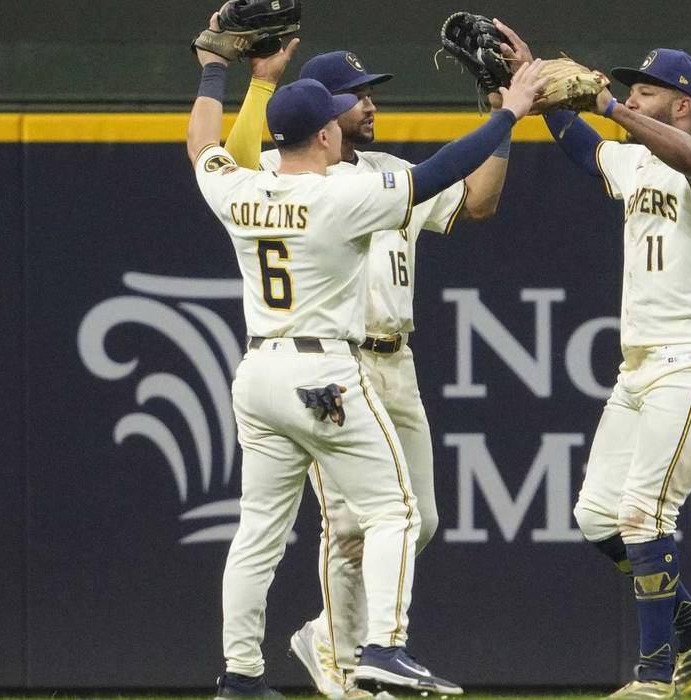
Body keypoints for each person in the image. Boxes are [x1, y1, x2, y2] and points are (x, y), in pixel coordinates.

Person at [186, 30, 546, 698]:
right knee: (391, 513)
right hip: (326, 370)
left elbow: (203, 149)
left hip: (261, 370)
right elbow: (438, 175)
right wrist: (506, 111)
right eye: (347, 102)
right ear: (323, 129)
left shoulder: (239, 189)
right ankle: (375, 649)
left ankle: (239, 675)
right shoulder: (340, 196)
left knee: (259, 532)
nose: (364, 108)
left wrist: (214, 69)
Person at [494, 20, 691, 700]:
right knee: (597, 517)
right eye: (630, 91)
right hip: (640, 366)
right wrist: (532, 83)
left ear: (684, 104)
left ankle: (654, 676)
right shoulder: (634, 162)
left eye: (648, 91)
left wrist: (607, 106)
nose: (634, 98)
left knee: (644, 515)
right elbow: (587, 152)